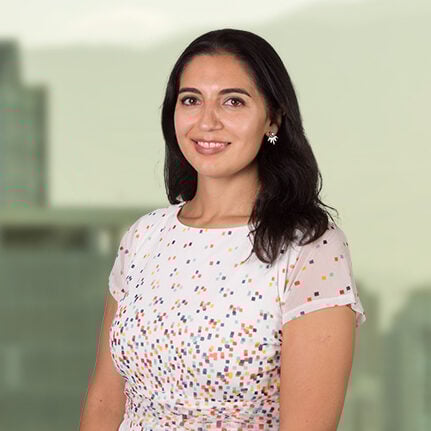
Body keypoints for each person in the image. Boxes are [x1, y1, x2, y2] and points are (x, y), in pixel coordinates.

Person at [80, 28, 366, 431]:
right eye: (191, 100)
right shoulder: (144, 237)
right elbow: (105, 401)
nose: (207, 121)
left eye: (233, 101)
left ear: (273, 118)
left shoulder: (310, 248)